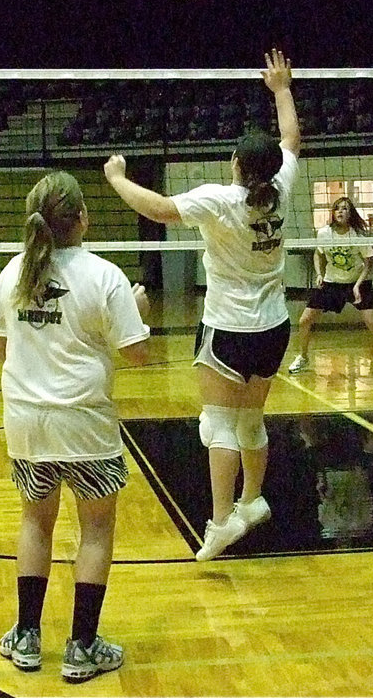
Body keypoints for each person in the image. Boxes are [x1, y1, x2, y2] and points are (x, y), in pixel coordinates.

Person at [104, 49, 300, 561]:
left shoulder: (222, 199)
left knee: (218, 426)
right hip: (274, 325)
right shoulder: (281, 187)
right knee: (251, 422)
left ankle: (219, 523)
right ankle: (252, 500)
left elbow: (161, 209)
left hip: (229, 327)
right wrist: (281, 90)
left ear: (237, 164)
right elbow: (292, 140)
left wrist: (117, 179)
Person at [0, 171, 150, 682]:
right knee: (95, 529)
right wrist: (138, 314)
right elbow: (138, 354)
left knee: (36, 521)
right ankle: (81, 647)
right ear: (83, 218)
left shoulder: (13, 271)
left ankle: (27, 637)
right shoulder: (106, 276)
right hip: (84, 423)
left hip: (27, 422)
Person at [287, 196, 373, 383]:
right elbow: (318, 254)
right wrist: (319, 273)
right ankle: (303, 357)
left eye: (345, 209)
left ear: (351, 214)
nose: (341, 211)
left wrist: (357, 286)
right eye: (338, 208)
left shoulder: (357, 235)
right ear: (333, 213)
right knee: (304, 320)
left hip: (357, 282)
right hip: (332, 282)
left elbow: (368, 263)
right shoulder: (324, 233)